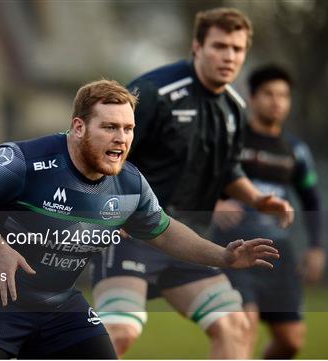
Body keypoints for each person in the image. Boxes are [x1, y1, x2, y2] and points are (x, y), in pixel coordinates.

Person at [0, 79, 279, 359]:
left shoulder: (129, 183)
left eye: (128, 129)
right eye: (110, 127)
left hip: (57, 303)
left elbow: (165, 232)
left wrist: (223, 256)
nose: (121, 139)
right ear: (79, 127)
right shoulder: (21, 161)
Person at [90, 8, 293, 359]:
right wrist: (111, 208)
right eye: (219, 46)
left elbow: (228, 171)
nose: (229, 56)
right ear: (196, 47)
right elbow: (105, 154)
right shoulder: (154, 92)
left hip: (190, 240)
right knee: (118, 332)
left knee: (235, 326)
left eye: (237, 48)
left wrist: (259, 200)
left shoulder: (234, 108)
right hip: (135, 236)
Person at [211, 64, 324, 358]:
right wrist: (214, 204)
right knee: (242, 330)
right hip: (235, 250)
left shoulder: (295, 150)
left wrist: (316, 247)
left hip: (278, 255)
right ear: (252, 97)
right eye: (269, 94)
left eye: (284, 95)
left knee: (291, 342)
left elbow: (311, 200)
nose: (277, 101)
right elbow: (196, 180)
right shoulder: (231, 141)